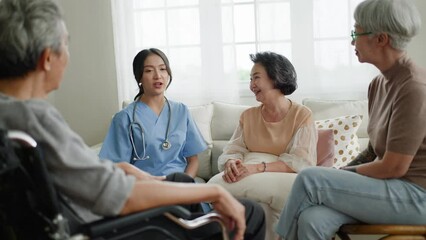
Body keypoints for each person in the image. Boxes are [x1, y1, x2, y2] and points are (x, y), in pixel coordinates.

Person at [0, 0, 266, 239]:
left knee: (183, 181)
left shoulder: (10, 116)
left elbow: (95, 176)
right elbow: (117, 194)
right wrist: (213, 191)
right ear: (47, 58)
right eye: (66, 45)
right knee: (249, 213)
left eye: (162, 69)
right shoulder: (36, 119)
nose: (67, 56)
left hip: (93, 218)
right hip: (117, 226)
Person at [275, 0, 426, 239]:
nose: (352, 41)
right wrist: (341, 172)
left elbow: (394, 167)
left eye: (356, 32)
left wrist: (345, 175)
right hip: (390, 190)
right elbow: (372, 150)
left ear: (381, 39)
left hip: (417, 196)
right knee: (312, 219)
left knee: (309, 177)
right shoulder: (378, 84)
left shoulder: (414, 87)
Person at [208, 51, 317, 240]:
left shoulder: (302, 115)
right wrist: (232, 164)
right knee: (262, 208)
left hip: (281, 178)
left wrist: (257, 168)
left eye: (256, 78)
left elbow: (301, 162)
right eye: (250, 79)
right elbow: (233, 150)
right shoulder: (248, 116)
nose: (251, 85)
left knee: (215, 187)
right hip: (254, 177)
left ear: (276, 77)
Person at [99, 48, 206, 178]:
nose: (157, 75)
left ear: (168, 74)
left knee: (217, 196)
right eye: (149, 70)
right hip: (146, 188)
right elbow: (118, 168)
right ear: (139, 77)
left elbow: (193, 160)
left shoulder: (181, 111)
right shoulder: (124, 118)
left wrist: (185, 185)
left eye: (162, 69)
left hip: (180, 186)